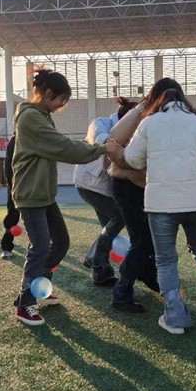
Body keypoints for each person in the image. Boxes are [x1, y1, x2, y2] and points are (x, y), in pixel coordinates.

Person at [110, 88, 196, 334]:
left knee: (165, 259)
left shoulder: (149, 123)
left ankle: (175, 316)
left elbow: (133, 159)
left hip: (162, 204)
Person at [11, 68, 115, 326]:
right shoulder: (30, 117)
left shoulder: (42, 116)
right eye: (61, 100)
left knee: (60, 242)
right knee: (40, 248)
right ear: (47, 93)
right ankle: (25, 303)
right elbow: (64, 147)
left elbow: (61, 146)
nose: (61, 106)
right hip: (30, 195)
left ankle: (38, 288)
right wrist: (102, 149)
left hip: (44, 195)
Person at [108, 79, 183, 313]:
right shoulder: (143, 113)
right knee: (143, 241)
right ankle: (122, 291)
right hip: (127, 184)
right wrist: (143, 106)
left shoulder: (161, 116)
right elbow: (115, 135)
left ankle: (148, 278)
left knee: (148, 240)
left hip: (142, 185)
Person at [73, 97, 136, 285]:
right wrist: (109, 142)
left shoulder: (132, 134)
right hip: (89, 183)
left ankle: (100, 272)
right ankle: (95, 258)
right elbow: (95, 132)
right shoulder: (103, 122)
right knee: (119, 217)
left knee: (108, 228)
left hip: (102, 187)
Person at [0, 133, 20, 260]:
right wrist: (13, 187)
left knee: (39, 219)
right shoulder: (14, 141)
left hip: (35, 188)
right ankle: (6, 247)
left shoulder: (37, 138)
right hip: (16, 187)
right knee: (12, 217)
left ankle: (40, 248)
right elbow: (8, 166)